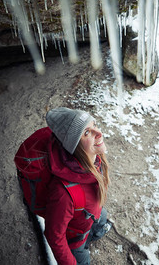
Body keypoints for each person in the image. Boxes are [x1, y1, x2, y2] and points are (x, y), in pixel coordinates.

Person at [44, 107, 112, 265]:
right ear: (74, 146)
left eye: (94, 124)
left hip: (90, 213)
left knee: (102, 214)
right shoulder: (63, 194)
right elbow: (55, 237)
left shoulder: (94, 157)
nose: (99, 133)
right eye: (87, 132)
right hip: (76, 240)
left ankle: (97, 232)